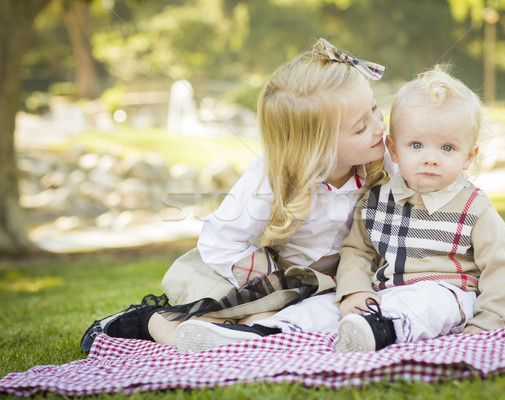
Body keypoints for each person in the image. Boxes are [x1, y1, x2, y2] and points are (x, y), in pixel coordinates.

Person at [80, 38, 394, 353]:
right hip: (259, 271)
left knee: (279, 324)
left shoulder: (383, 161)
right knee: (244, 314)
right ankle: (149, 322)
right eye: (360, 127)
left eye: (375, 109)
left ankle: (238, 333)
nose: (379, 126)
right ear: (314, 148)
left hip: (330, 278)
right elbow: (221, 241)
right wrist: (269, 285)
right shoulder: (272, 178)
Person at [331, 65, 505, 352]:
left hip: (449, 293)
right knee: (326, 305)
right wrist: (355, 290)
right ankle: (270, 329)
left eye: (447, 148)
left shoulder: (474, 208)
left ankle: (381, 330)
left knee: (429, 303)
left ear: (469, 156)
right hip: (385, 293)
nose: (431, 158)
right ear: (393, 150)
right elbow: (357, 251)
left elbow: (500, 265)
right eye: (416, 145)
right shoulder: (376, 199)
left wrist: (489, 318)